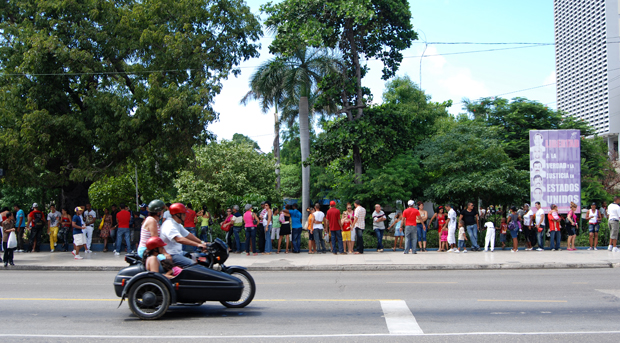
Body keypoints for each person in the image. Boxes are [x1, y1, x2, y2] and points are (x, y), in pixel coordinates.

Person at [160, 203, 207, 267]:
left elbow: (188, 235)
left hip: (179, 253)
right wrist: (198, 244)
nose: (185, 216)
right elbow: (179, 239)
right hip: (172, 255)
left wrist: (202, 242)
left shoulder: (177, 224)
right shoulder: (169, 225)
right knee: (194, 265)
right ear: (178, 215)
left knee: (201, 258)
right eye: (184, 214)